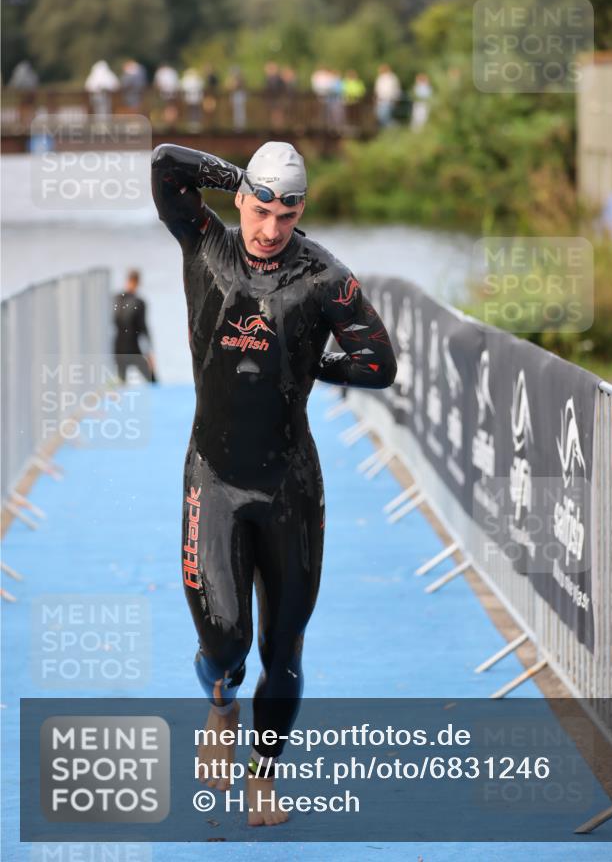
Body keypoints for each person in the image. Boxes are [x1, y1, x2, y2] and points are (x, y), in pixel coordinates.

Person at [151, 140, 397, 825]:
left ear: (301, 213)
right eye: (260, 210)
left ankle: (263, 774)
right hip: (216, 479)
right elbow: (167, 164)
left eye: (286, 217)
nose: (269, 231)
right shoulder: (205, 244)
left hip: (290, 486)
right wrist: (241, 175)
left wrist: (314, 366)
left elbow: (378, 364)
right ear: (240, 202)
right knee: (225, 642)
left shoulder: (324, 278)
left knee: (282, 650)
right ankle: (221, 703)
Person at [112, 270, 157, 382]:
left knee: (121, 381)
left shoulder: (116, 299)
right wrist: (149, 353)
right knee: (152, 379)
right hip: (133, 348)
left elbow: (113, 323)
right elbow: (143, 328)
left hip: (118, 348)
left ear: (127, 280)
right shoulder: (139, 302)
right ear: (138, 282)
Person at [373, 63, 401, 128]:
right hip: (380, 100)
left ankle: (393, 128)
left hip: (389, 100)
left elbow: (396, 89)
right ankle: (390, 128)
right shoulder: (379, 78)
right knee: (380, 116)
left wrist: (396, 99)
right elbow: (377, 90)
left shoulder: (392, 78)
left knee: (385, 115)